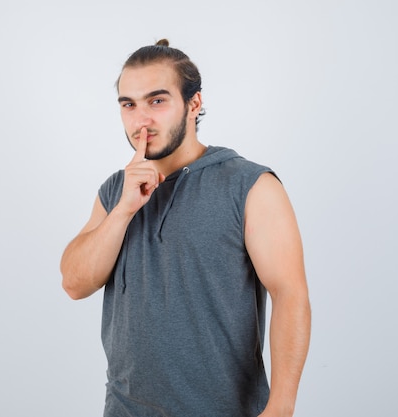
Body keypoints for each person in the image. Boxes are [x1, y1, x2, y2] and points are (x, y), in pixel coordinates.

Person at [60, 39, 311, 417]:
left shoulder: (249, 185)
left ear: (194, 104)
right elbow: (74, 284)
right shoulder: (116, 189)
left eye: (157, 101)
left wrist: (280, 408)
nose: (140, 119)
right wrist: (123, 211)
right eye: (129, 104)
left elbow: (290, 295)